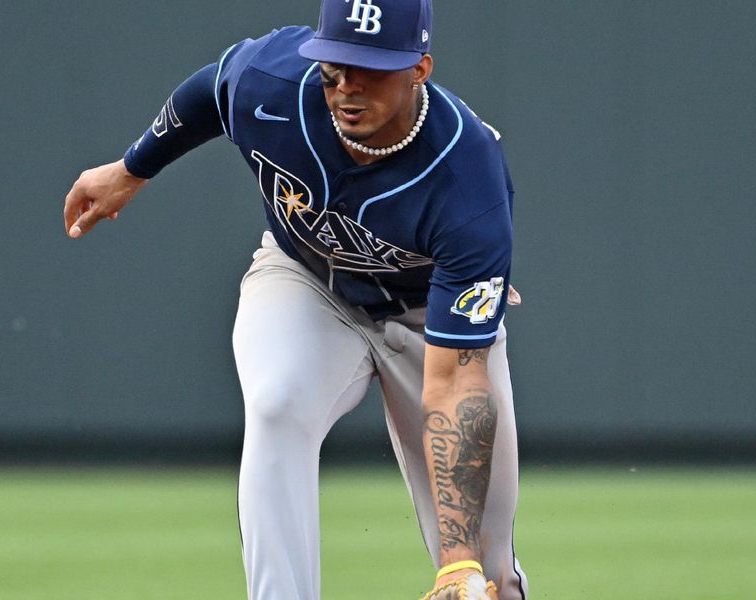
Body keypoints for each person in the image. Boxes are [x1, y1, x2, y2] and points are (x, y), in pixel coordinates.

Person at [63, 0, 528, 598]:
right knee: (278, 403)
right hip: (305, 281)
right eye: (337, 63)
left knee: (484, 571)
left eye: (373, 67)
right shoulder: (275, 82)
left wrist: (456, 560)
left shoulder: (469, 176)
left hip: (425, 314)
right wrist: (131, 169)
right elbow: (210, 91)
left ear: (420, 69)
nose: (349, 85)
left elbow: (457, 382)